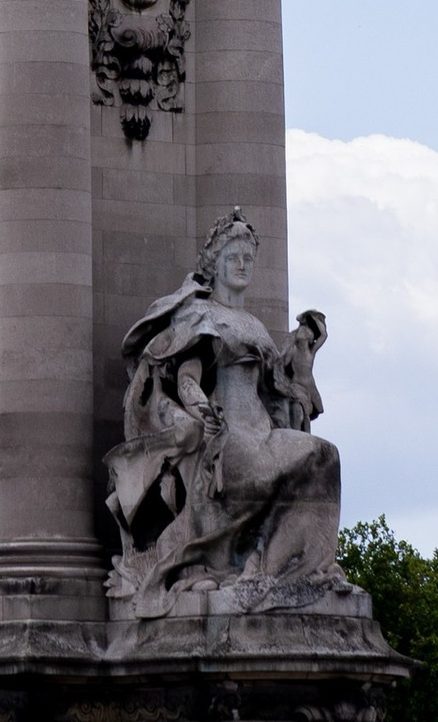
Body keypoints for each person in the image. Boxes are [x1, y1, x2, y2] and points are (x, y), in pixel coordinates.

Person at [104, 209, 345, 608]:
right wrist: (200, 411)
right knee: (292, 462)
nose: (241, 265)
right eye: (232, 257)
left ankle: (291, 569)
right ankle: (244, 567)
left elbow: (277, 385)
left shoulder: (252, 323)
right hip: (228, 437)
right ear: (214, 265)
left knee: (325, 455)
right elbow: (186, 378)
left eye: (248, 258)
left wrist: (303, 348)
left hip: (262, 433)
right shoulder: (202, 315)